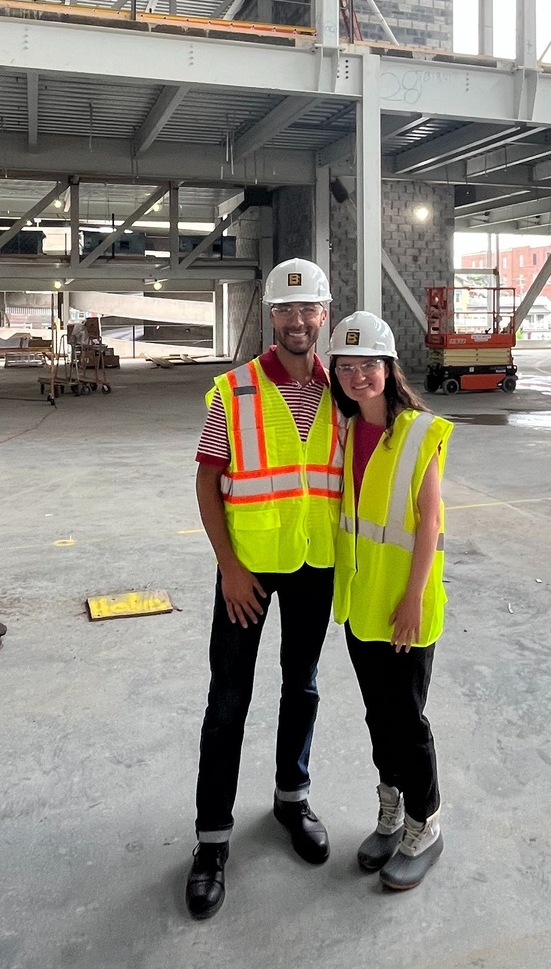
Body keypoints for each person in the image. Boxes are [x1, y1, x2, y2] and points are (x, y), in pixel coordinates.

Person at [186, 258, 346, 920]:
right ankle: (212, 841)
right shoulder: (234, 390)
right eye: (287, 310)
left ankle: (291, 799)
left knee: (302, 685)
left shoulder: (347, 390)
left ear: (324, 315)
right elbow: (207, 479)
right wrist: (228, 566)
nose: (299, 320)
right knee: (229, 699)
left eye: (310, 309)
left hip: (314, 565)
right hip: (247, 572)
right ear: (272, 317)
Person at [327, 310, 453, 892]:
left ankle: (426, 825)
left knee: (408, 721)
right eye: (347, 368)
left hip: (404, 606)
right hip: (360, 604)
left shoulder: (420, 431)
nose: (358, 377)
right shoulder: (346, 430)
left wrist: (412, 599)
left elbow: (429, 523)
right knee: (380, 717)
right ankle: (392, 810)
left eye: (368, 365)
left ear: (388, 368)